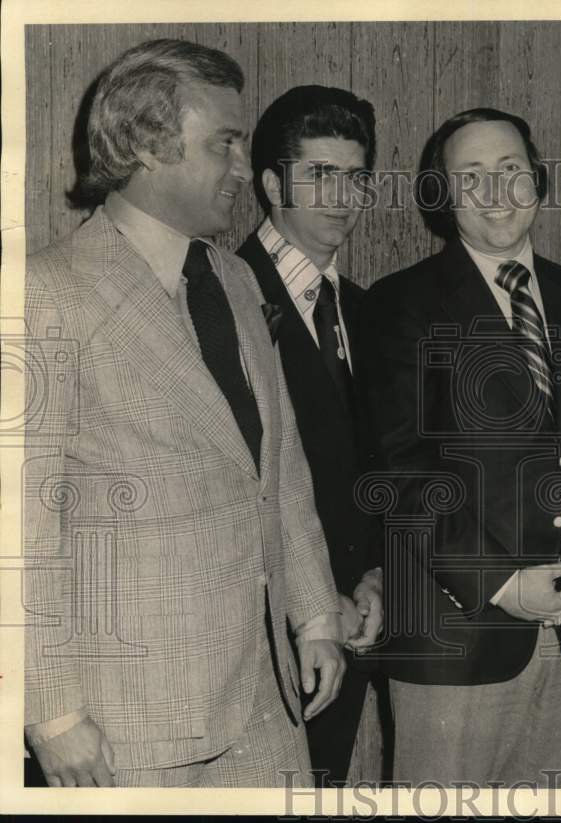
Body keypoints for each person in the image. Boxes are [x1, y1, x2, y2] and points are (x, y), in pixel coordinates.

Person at [23, 39, 358, 788]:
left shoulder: (236, 279)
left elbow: (280, 465)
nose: (245, 168)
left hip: (264, 697)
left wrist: (315, 616)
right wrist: (50, 715)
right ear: (146, 145)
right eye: (227, 144)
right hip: (126, 721)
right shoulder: (46, 292)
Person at [356, 108, 561, 787]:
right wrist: (500, 582)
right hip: (454, 633)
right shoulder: (399, 305)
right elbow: (401, 473)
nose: (496, 192)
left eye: (510, 171)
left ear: (539, 180)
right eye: (471, 177)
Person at [236, 85, 387, 786]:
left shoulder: (366, 309)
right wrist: (317, 601)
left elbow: (383, 463)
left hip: (357, 618)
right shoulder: (221, 293)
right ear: (272, 183)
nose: (343, 196)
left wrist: (379, 578)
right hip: (268, 630)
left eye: (355, 177)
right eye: (320, 174)